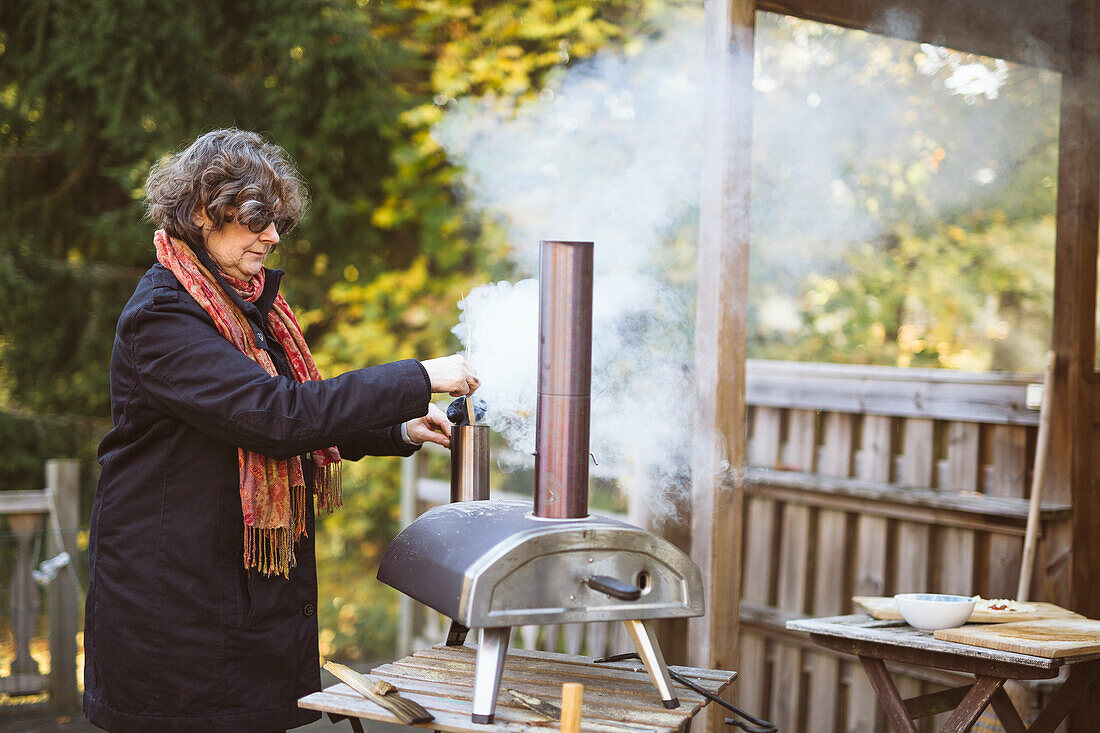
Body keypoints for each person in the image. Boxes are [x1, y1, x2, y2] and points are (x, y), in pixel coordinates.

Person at [83, 128, 478, 732]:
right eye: (256, 219)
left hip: (229, 604)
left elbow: (300, 415)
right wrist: (420, 375)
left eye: (278, 221)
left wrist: (396, 428)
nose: (272, 235)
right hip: (176, 620)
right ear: (199, 213)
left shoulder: (239, 302)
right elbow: (276, 415)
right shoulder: (163, 315)